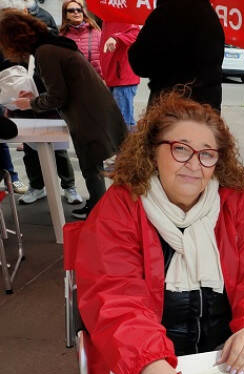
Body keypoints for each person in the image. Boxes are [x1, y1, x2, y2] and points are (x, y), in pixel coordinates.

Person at [74, 92, 244, 374]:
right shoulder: (120, 208)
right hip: (142, 361)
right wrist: (150, 360)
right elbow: (114, 295)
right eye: (181, 149)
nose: (194, 164)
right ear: (152, 152)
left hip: (222, 359)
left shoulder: (235, 206)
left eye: (207, 154)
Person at [1, 10, 127, 219]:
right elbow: (61, 87)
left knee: (90, 164)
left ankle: (99, 211)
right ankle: (99, 206)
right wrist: (36, 96)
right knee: (93, 163)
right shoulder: (53, 44)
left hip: (86, 114)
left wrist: (30, 102)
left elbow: (57, 96)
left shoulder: (45, 52)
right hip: (94, 108)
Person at [128, 0, 224, 111]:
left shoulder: (165, 15)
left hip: (170, 108)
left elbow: (139, 61)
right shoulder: (211, 17)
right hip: (207, 110)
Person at [100, 21, 141, 128]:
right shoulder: (107, 21)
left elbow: (136, 34)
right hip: (112, 77)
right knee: (119, 121)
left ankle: (128, 144)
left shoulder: (124, 17)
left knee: (123, 122)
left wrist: (116, 38)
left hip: (122, 79)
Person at [59, 0, 102, 77]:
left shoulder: (96, 32)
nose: (76, 12)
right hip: (76, 84)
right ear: (65, 14)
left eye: (79, 10)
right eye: (71, 10)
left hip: (98, 82)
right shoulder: (61, 38)